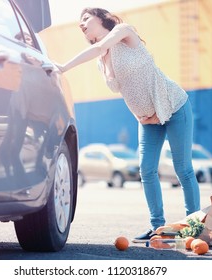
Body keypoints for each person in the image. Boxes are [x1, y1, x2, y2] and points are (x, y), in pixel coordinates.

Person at [54, 7, 201, 242]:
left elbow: (102, 47)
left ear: (102, 18)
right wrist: (140, 115)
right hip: (148, 119)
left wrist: (62, 67)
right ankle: (158, 227)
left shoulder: (124, 32)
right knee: (147, 170)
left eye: (86, 18)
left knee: (182, 168)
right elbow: (126, 90)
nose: (81, 24)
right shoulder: (100, 61)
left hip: (174, 107)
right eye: (79, 22)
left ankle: (194, 226)